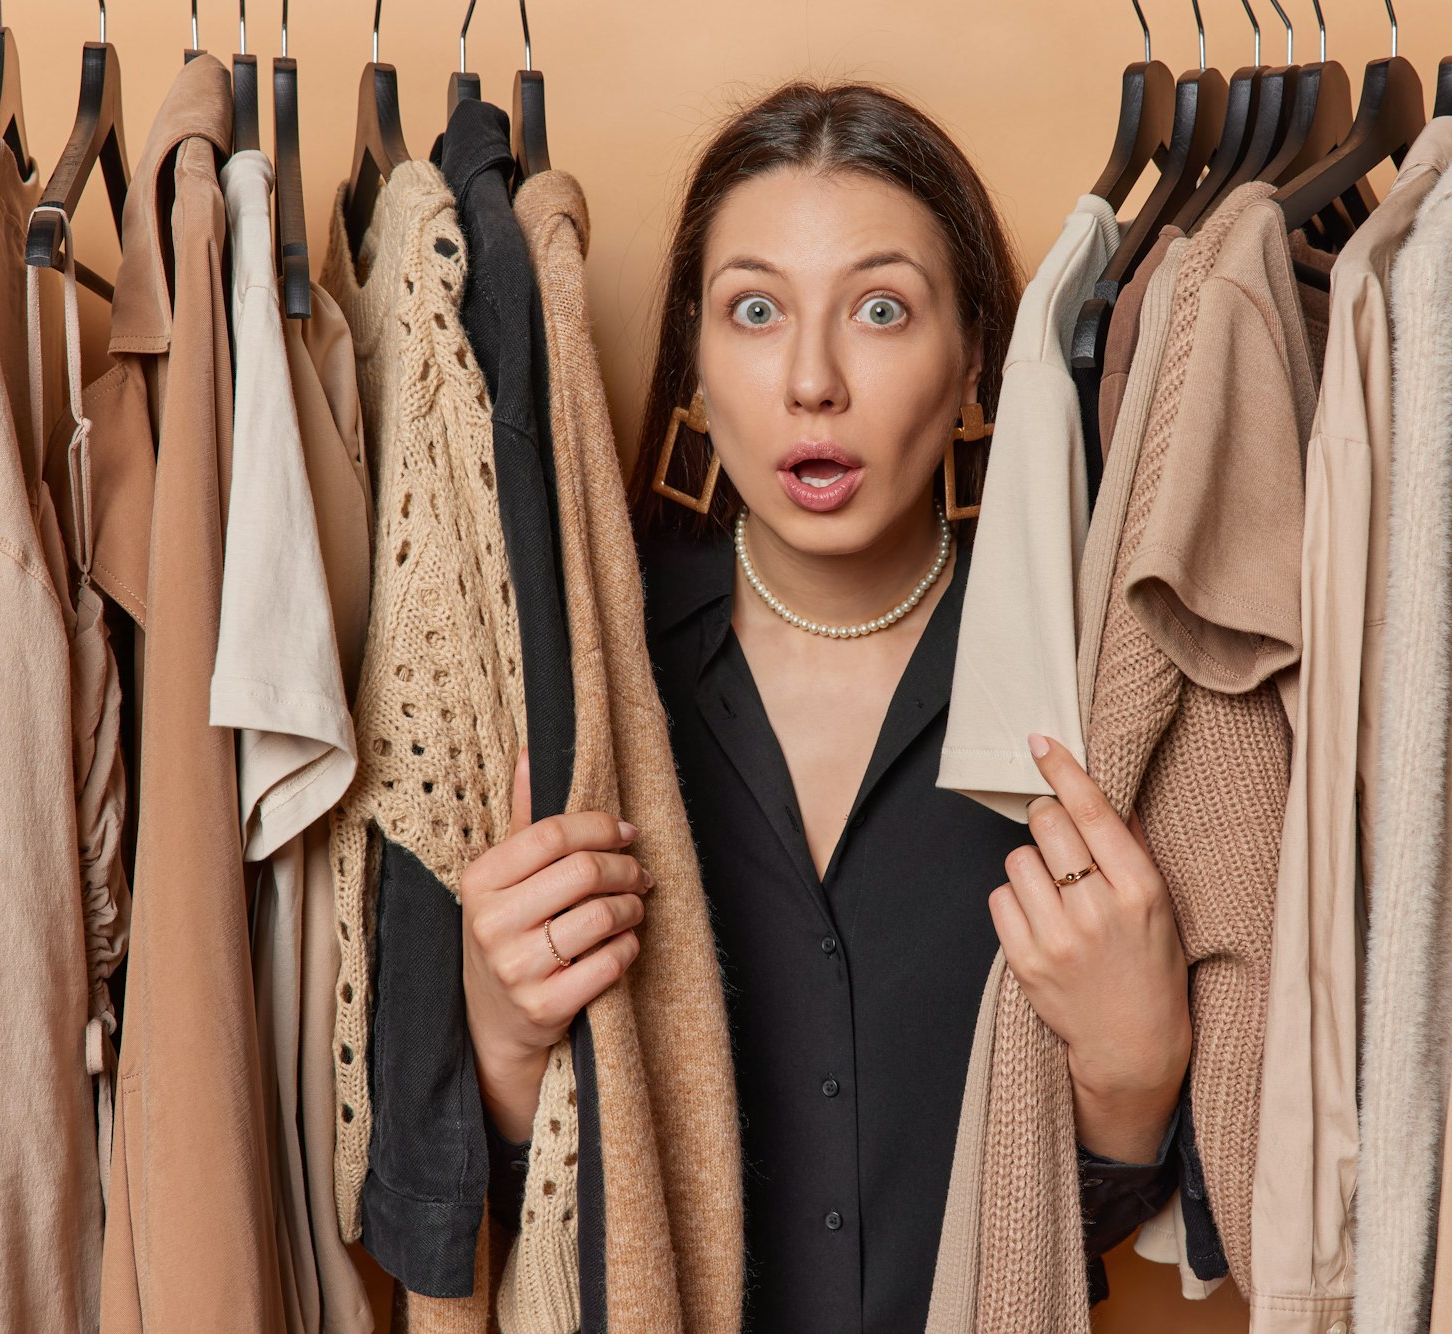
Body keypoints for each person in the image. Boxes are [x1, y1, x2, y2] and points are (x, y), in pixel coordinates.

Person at [457, 81, 1193, 1330]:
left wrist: (1132, 1075)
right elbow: (547, 1191)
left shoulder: (1090, 693)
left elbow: (1082, 1222)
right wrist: (503, 1041)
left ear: (973, 356)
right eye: (755, 309)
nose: (811, 379)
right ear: (693, 351)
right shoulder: (584, 680)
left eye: (880, 309)